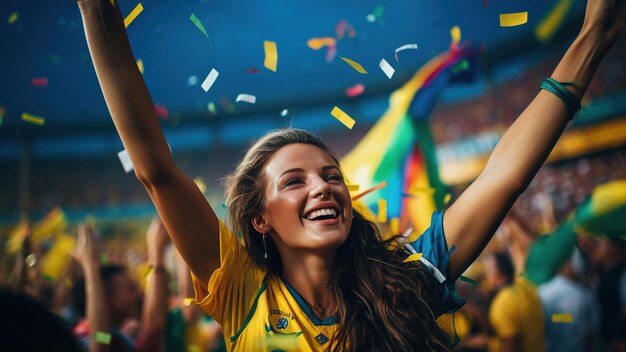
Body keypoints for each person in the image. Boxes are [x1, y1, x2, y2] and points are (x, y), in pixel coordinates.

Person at [75, 0, 626, 349]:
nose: (323, 187)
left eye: (331, 175)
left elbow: (502, 176)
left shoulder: (408, 278)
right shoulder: (243, 293)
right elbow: (156, 169)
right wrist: (96, 8)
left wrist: (592, 38)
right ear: (260, 219)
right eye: (294, 181)